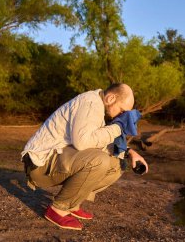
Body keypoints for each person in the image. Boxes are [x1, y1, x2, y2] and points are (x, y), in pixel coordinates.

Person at [21, 83, 148, 230]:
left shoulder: (98, 107)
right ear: (111, 98)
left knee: (117, 165)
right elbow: (83, 143)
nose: (122, 116)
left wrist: (129, 152)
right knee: (99, 160)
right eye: (122, 110)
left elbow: (97, 143)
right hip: (39, 165)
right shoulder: (90, 103)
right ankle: (58, 209)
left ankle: (74, 203)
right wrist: (118, 128)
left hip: (57, 157)